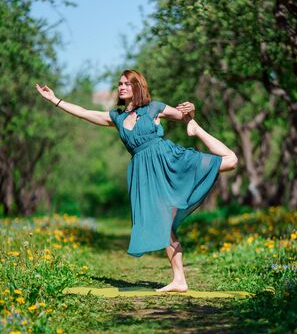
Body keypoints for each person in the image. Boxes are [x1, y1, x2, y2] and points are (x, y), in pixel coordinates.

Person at [35, 69, 238, 293]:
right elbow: (83, 112)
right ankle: (179, 280)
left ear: (137, 86)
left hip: (168, 160)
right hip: (145, 173)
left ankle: (199, 132)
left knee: (230, 161)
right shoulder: (117, 117)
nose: (122, 87)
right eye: (120, 84)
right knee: (165, 225)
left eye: (127, 84)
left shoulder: (154, 108)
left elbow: (184, 115)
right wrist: (55, 99)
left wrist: (192, 110)